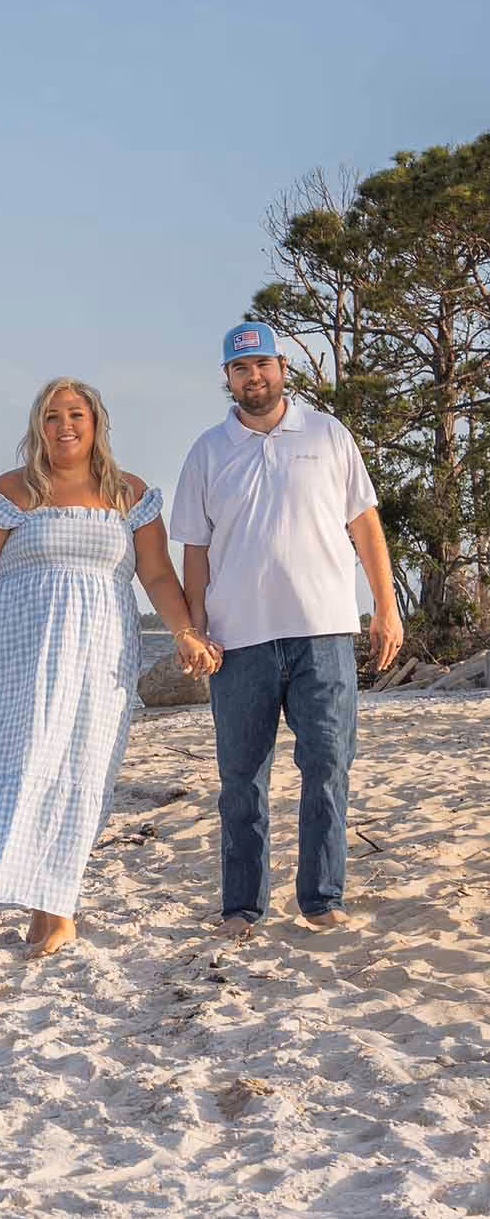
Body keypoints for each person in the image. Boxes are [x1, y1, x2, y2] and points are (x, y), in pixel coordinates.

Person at [0, 380, 222, 957]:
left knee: (80, 771)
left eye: (75, 415)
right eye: (51, 416)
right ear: (37, 427)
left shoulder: (129, 494)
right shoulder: (13, 491)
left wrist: (183, 631)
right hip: (13, 657)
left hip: (98, 656)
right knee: (23, 767)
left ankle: (55, 909)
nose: (64, 426)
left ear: (96, 424)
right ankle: (45, 909)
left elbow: (155, 574)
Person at [170, 322, 402, 941]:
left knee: (328, 763)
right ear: (228, 378)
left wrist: (385, 606)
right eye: (241, 369)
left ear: (282, 369)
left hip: (323, 631)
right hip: (237, 641)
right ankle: (241, 908)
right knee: (241, 779)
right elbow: (195, 550)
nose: (255, 377)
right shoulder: (207, 451)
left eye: (263, 365)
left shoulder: (327, 434)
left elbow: (365, 525)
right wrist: (194, 628)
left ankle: (321, 899)